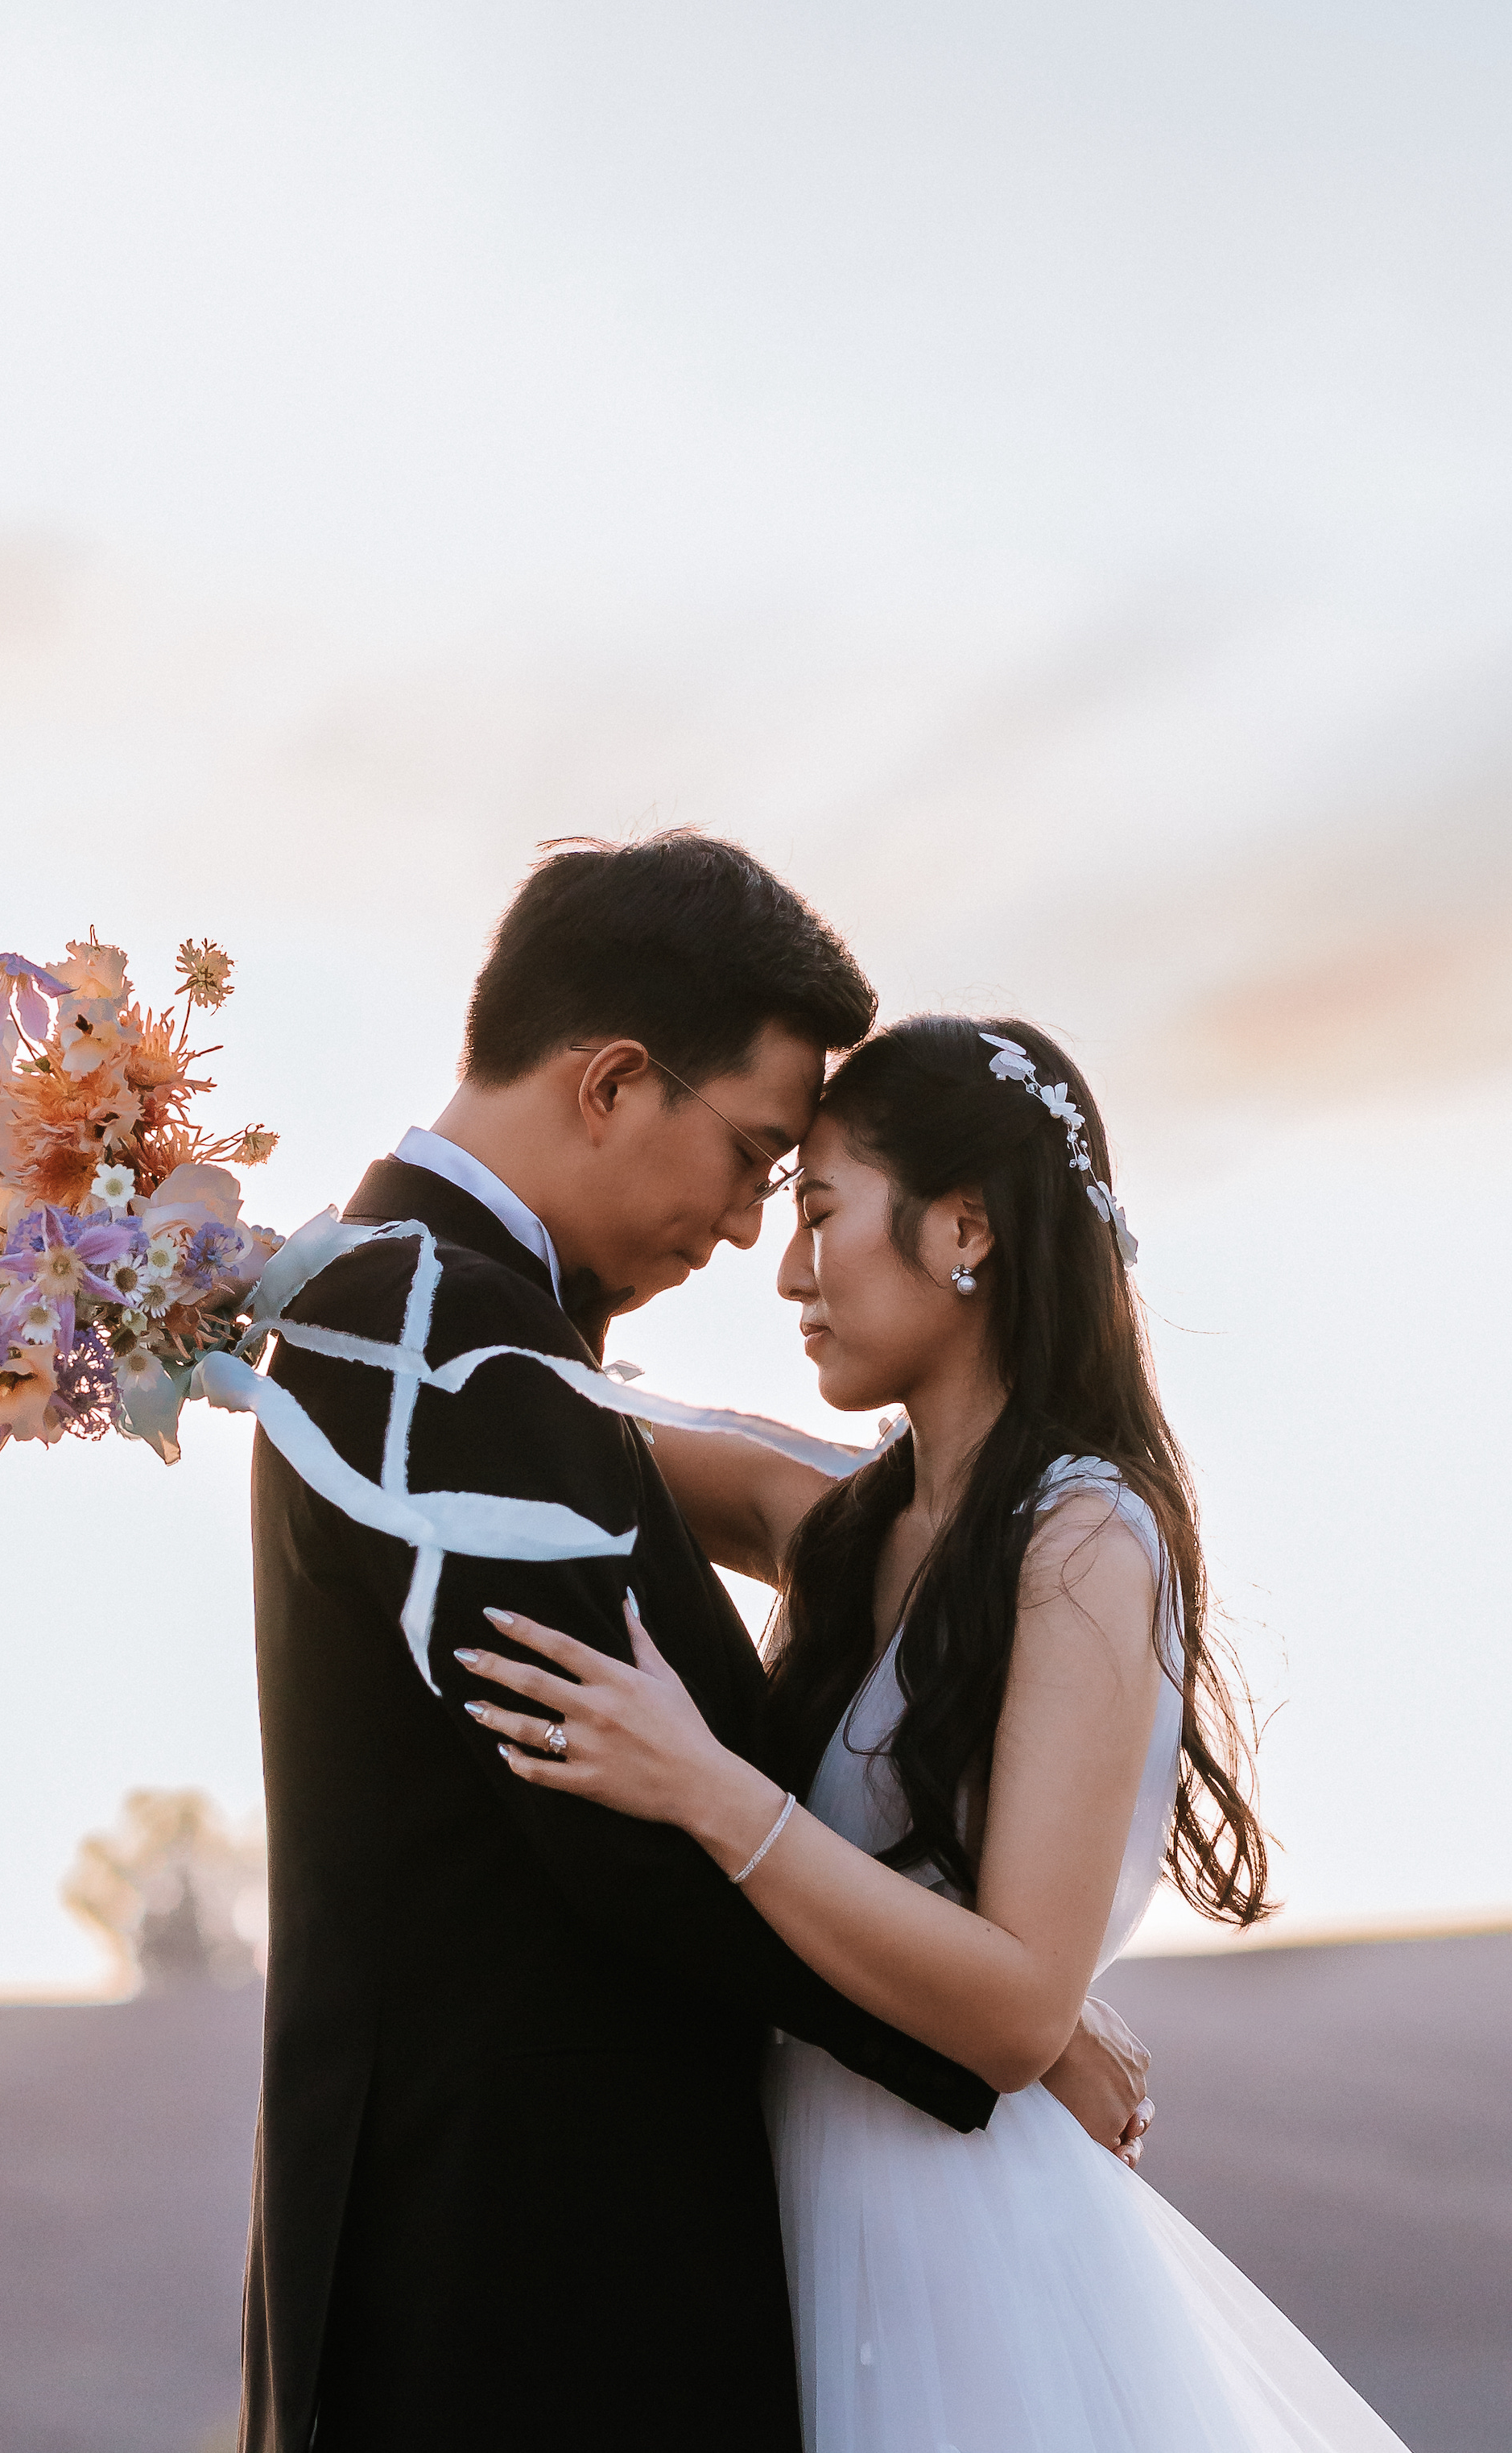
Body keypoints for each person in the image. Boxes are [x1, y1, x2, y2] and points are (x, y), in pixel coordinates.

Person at [239, 845, 1149, 2453]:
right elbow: (617, 1821)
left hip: (540, 2281)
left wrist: (993, 1979)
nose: (750, 1236)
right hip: (505, 2300)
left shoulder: (440, 1323)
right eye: (749, 1161)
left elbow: (750, 1527)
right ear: (609, 1083)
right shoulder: (437, 1343)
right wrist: (993, 2026)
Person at [461, 1012, 1411, 2452]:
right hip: (794, 2188)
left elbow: (1021, 2005)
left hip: (956, 2242)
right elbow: (576, 1419)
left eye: (822, 1213)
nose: (786, 1270)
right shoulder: (852, 1520)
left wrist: (710, 1793)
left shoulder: (1088, 1537)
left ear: (963, 1229)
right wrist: (219, 1285)